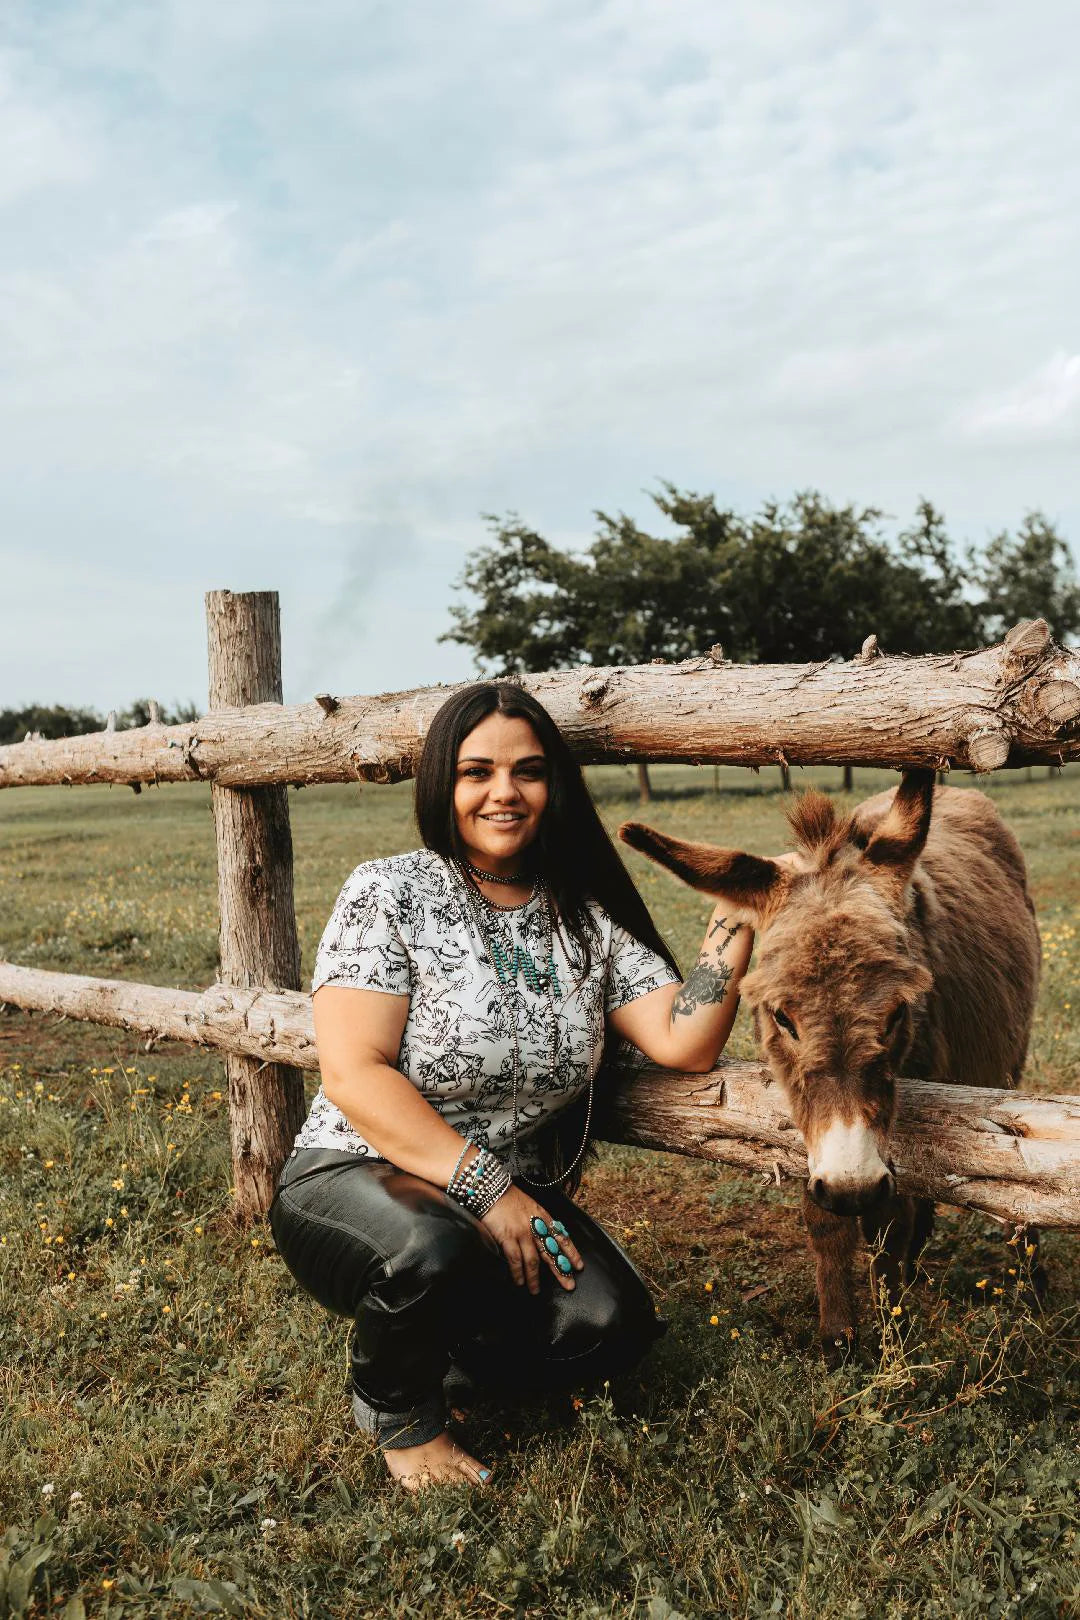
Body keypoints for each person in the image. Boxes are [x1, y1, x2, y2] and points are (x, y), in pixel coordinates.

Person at [270, 682, 754, 1490]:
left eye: (528, 771)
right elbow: (356, 1074)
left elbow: (684, 1039)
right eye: (476, 772)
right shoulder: (389, 893)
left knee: (610, 1326)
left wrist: (738, 915)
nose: (505, 792)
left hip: (502, 1198)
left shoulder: (583, 915)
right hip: (354, 1174)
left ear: (552, 784)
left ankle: (446, 1348)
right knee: (434, 1249)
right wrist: (491, 1194)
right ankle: (397, 1410)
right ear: (441, 784)